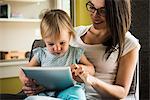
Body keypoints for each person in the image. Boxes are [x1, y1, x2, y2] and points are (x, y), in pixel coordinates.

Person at [70, 0, 141, 99]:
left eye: (103, 11)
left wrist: (90, 79)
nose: (95, 15)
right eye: (92, 7)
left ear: (117, 12)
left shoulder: (128, 43)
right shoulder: (74, 33)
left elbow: (122, 92)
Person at [19, 9, 95, 100]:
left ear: (70, 36)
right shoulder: (41, 53)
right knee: (32, 99)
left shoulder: (75, 52)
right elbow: (24, 70)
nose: (57, 48)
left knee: (78, 93)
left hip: (68, 91)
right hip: (46, 93)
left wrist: (82, 68)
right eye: (51, 44)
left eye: (62, 43)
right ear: (44, 40)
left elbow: (92, 69)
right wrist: (25, 80)